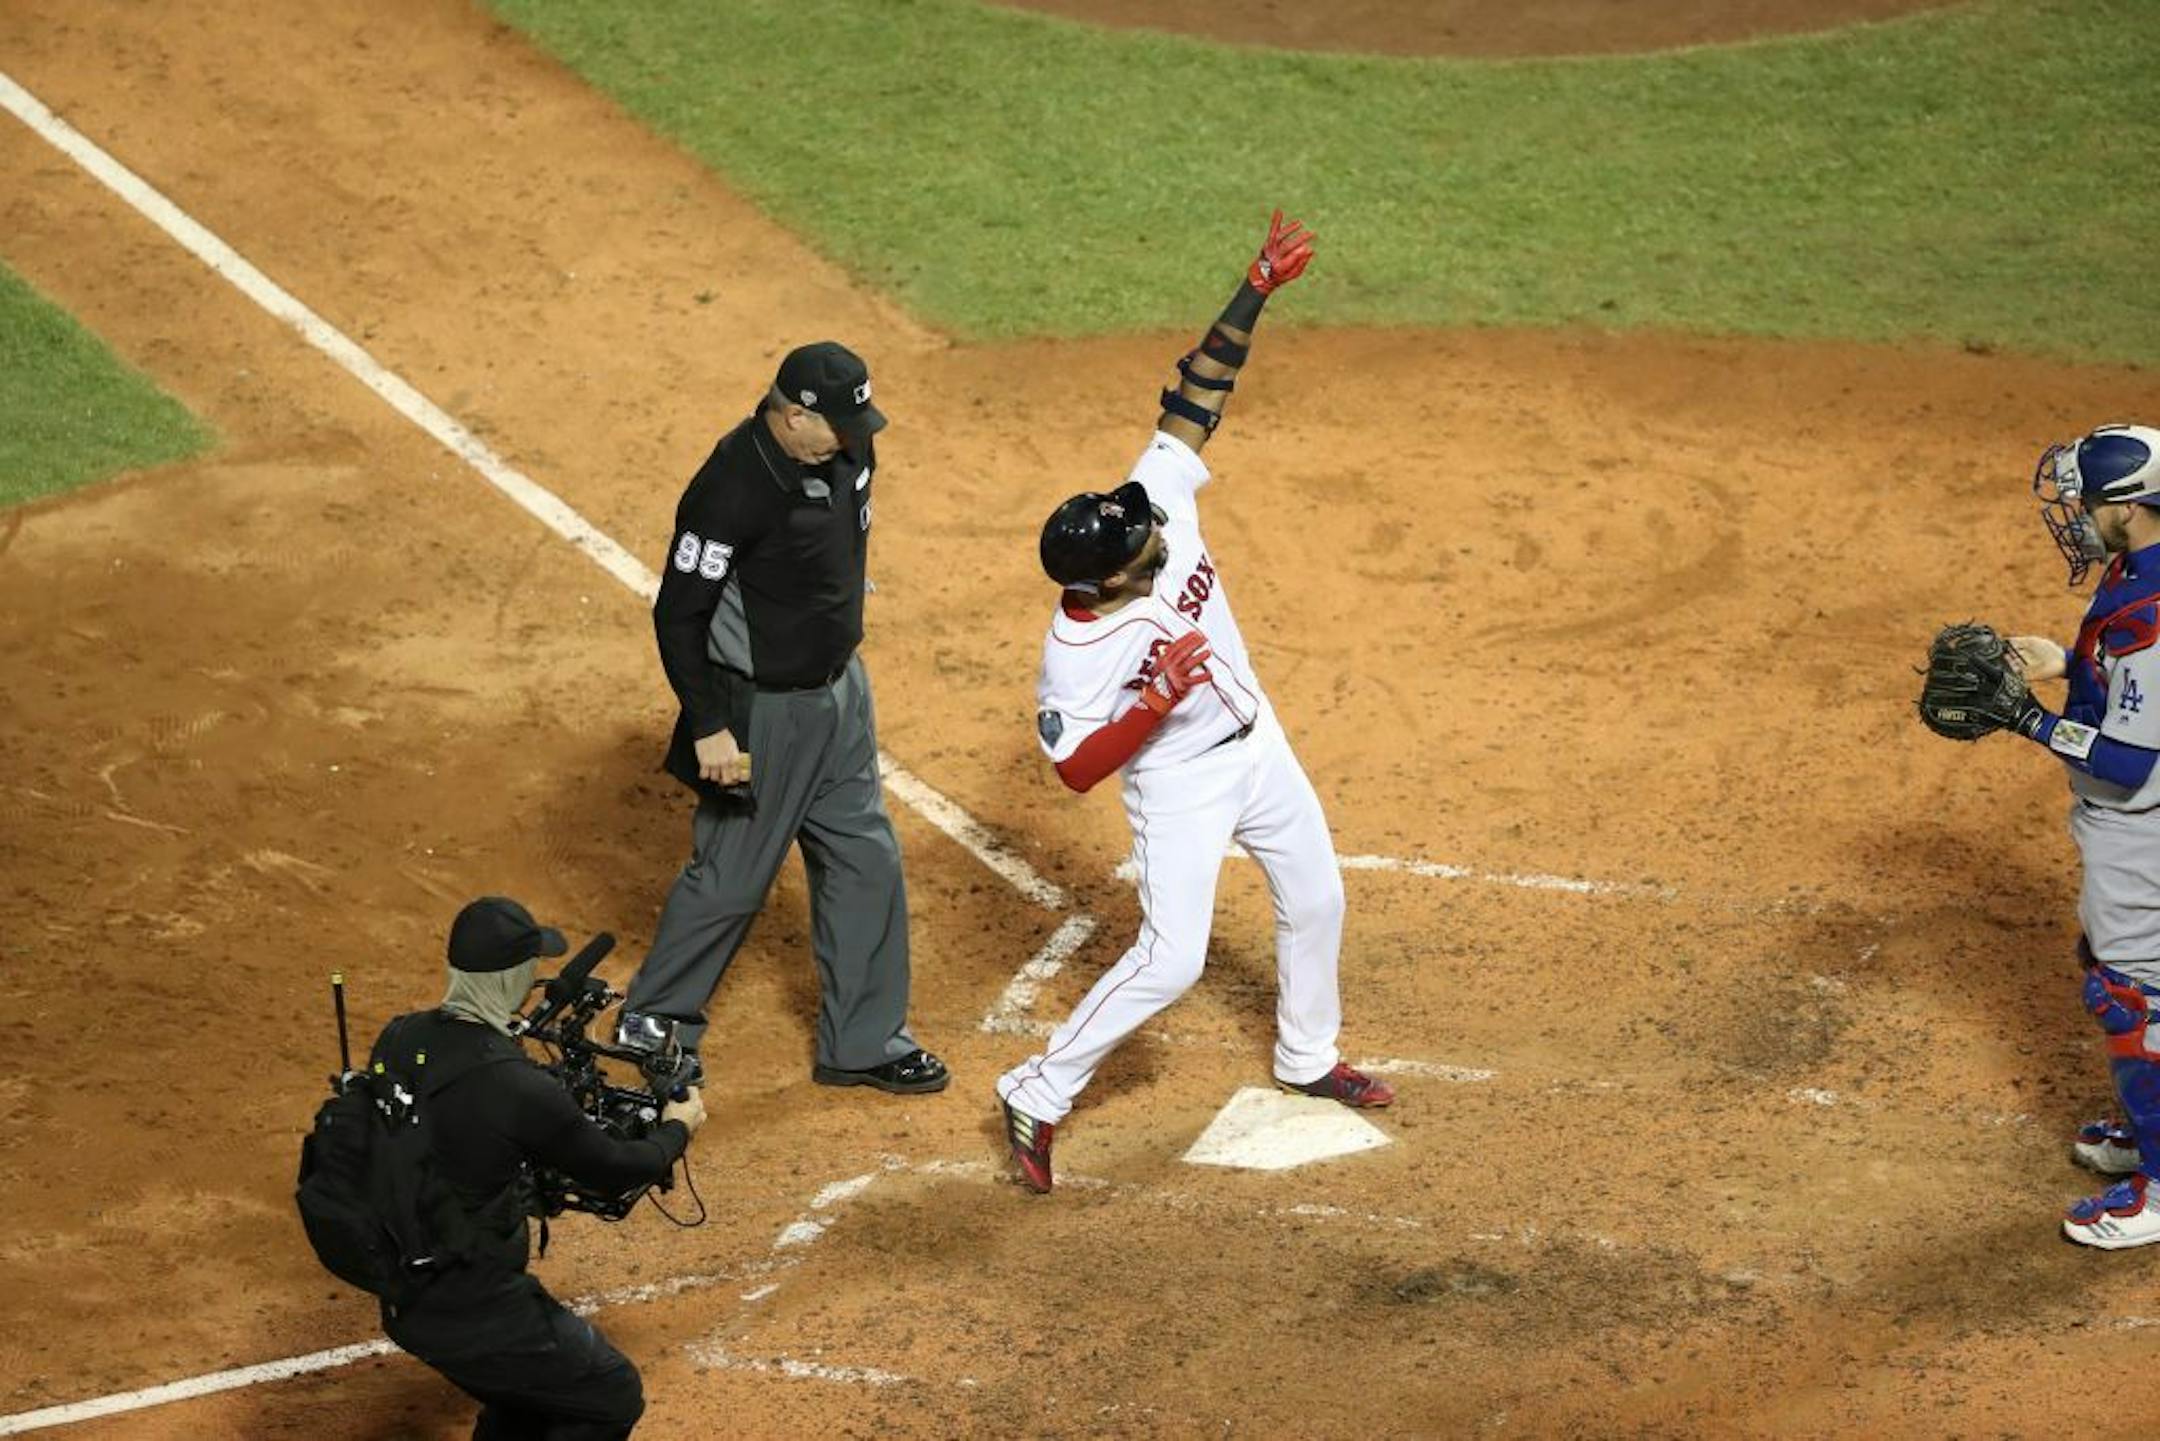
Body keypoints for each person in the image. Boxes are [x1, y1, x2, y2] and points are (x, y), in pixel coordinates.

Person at [994, 211, 1394, 1194]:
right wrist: (1153, 703)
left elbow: (1197, 394)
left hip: (1260, 747)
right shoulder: (1077, 651)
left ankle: (1307, 1054)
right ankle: (1036, 1090)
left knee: (1316, 896)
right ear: (1102, 583)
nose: (1159, 537)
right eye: (1142, 550)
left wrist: (1256, 283)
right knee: (1172, 961)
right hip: (1179, 786)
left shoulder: (1151, 504)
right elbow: (1075, 767)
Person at [613, 342, 946, 1096]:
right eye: (837, 421)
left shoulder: (850, 450)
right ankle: (654, 1019)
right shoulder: (733, 486)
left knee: (866, 863)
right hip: (761, 713)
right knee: (732, 876)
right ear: (792, 414)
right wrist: (707, 724)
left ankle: (863, 1042)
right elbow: (679, 612)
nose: (854, 434)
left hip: (841, 697)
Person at [375, 896, 707, 1438]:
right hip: (478, 1309)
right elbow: (616, 1169)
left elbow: (461, 1131)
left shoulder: (399, 1037)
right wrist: (678, 1126)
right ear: (513, 978)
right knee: (610, 1395)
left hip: (403, 1291)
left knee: (524, 1404)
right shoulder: (515, 1085)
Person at [1960, 423, 2160, 1249]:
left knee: (2132, 994)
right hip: (2138, 822)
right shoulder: (2136, 573)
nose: (2072, 515)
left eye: (2083, 502)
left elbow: (2125, 761)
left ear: (2130, 507)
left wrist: (2025, 720)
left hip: (2143, 825)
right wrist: (2065, 666)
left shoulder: (2154, 612)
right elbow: (2122, 695)